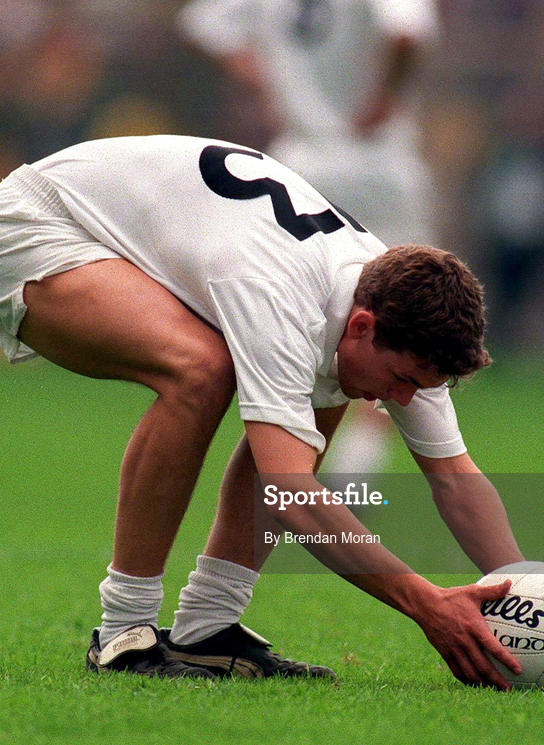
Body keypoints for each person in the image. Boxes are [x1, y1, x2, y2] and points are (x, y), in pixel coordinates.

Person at [0, 134, 526, 689]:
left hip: (123, 230)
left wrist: (523, 586)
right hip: (37, 226)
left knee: (329, 389)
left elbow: (455, 480)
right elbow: (292, 493)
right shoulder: (279, 294)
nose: (400, 401)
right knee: (201, 371)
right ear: (362, 326)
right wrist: (427, 604)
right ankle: (123, 634)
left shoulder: (398, 304)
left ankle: (207, 628)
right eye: (402, 381)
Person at [178, 0, 441, 475]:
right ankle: (359, 462)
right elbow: (406, 33)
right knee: (407, 304)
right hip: (378, 157)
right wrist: (385, 98)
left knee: (297, 307)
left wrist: (277, 84)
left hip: (298, 158)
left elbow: (205, 26)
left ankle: (277, 438)